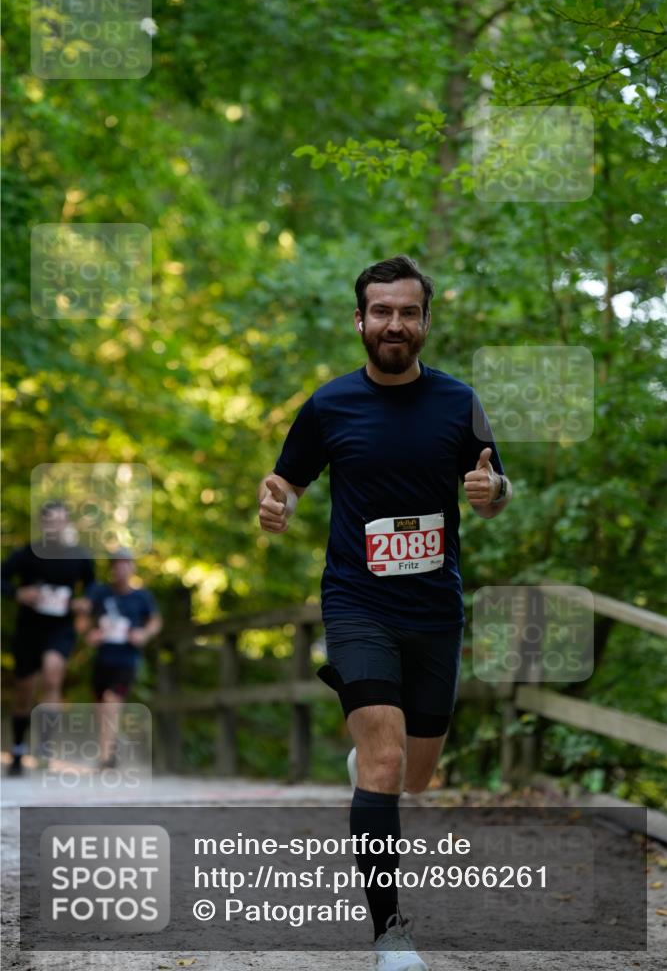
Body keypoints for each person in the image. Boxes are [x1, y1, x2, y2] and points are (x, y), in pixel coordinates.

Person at [257, 255, 512, 971]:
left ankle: (370, 764)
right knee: (385, 759)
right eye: (381, 312)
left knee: (418, 775)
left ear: (425, 321)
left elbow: (495, 483)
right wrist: (275, 499)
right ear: (359, 320)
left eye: (407, 312)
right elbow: (288, 478)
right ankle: (390, 934)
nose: (393, 324)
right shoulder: (329, 404)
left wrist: (491, 492)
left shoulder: (459, 401)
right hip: (356, 601)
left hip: (434, 607)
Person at [1, 500, 96, 776]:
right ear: (43, 524)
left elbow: (92, 586)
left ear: (67, 523)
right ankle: (18, 749)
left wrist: (85, 602)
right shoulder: (27, 554)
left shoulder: (79, 556)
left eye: (60, 521)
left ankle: (45, 746)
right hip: (29, 629)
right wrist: (18, 593)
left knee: (53, 674)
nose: (55, 526)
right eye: (50, 521)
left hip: (60, 628)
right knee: (25, 691)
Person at [83, 550, 161, 768]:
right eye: (116, 564)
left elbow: (155, 621)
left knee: (111, 702)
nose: (120, 568)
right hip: (103, 658)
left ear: (132, 567)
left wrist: (143, 634)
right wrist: (90, 633)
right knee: (101, 707)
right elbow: (83, 619)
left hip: (126, 659)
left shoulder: (142, 597)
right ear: (111, 568)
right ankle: (109, 745)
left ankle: (106, 757)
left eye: (125, 564)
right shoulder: (100, 594)